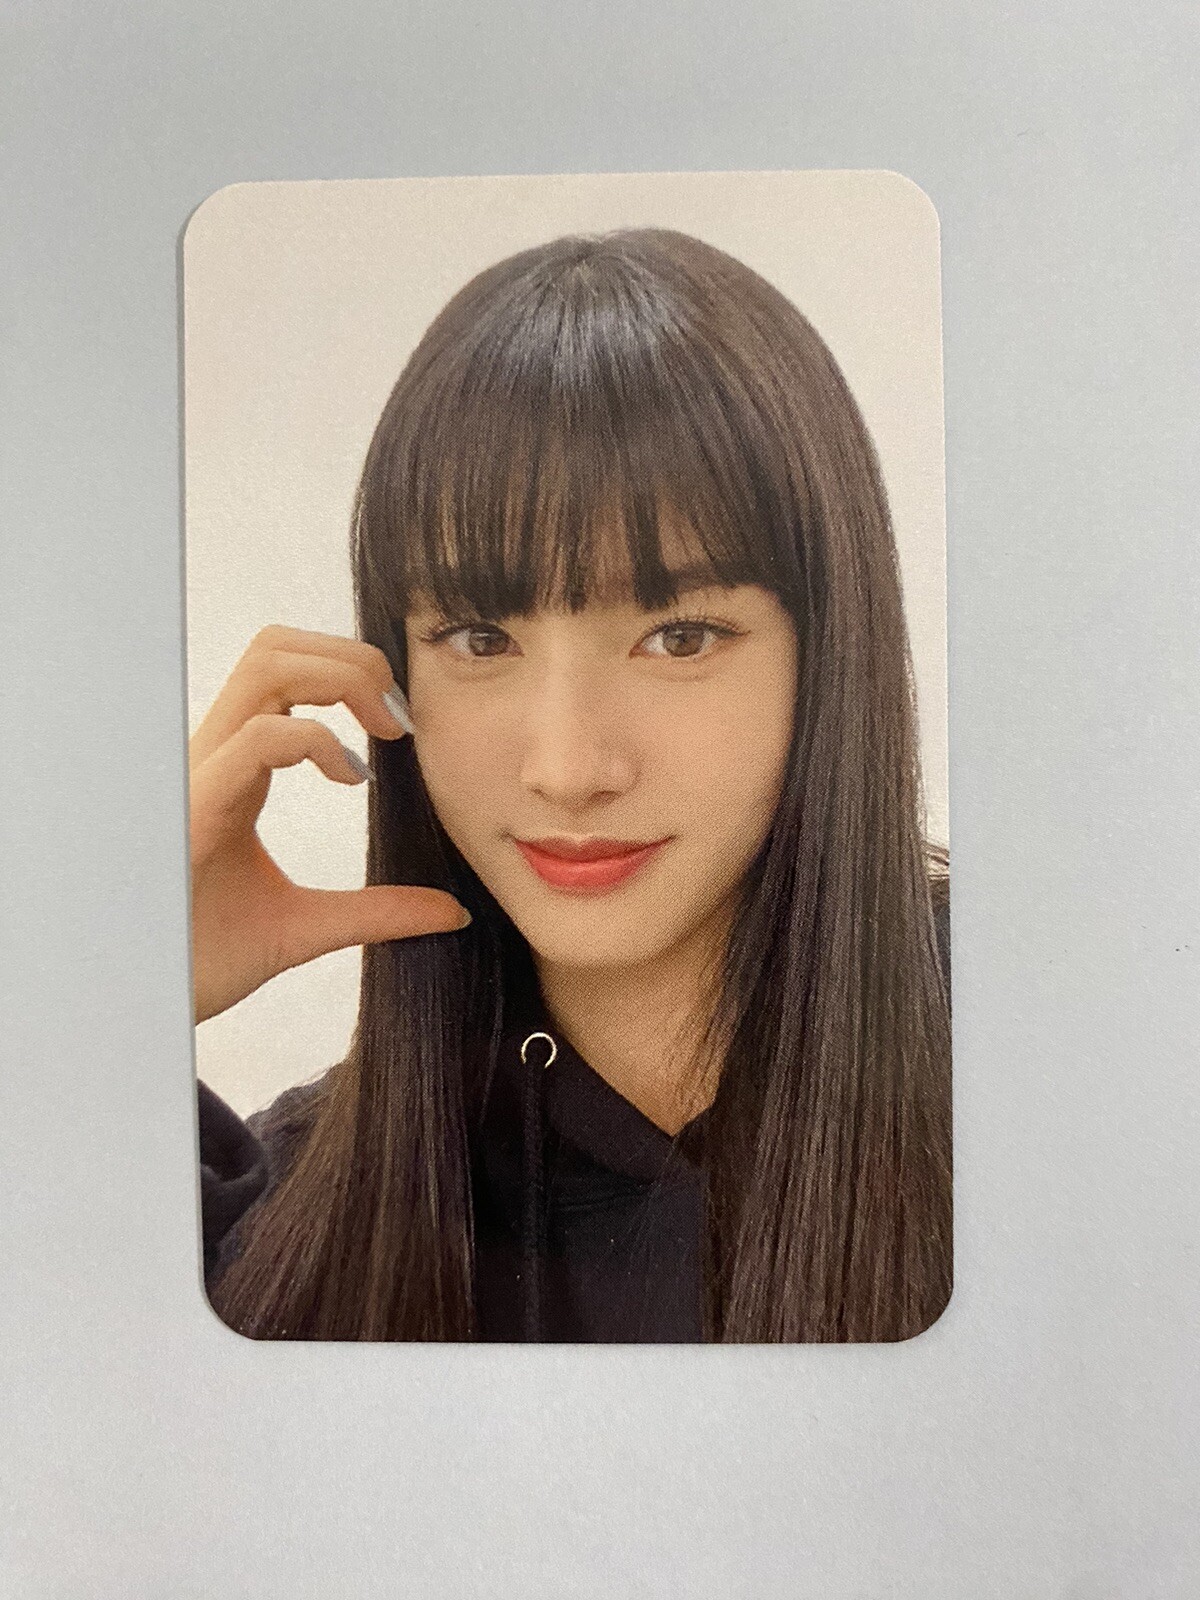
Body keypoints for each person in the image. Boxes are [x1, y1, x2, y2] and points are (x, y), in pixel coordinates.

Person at [192, 226, 952, 1345]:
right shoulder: (288, 1234)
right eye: (481, 638)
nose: (568, 771)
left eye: (680, 636)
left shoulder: (1075, 1070)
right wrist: (109, 996)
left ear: (829, 650)